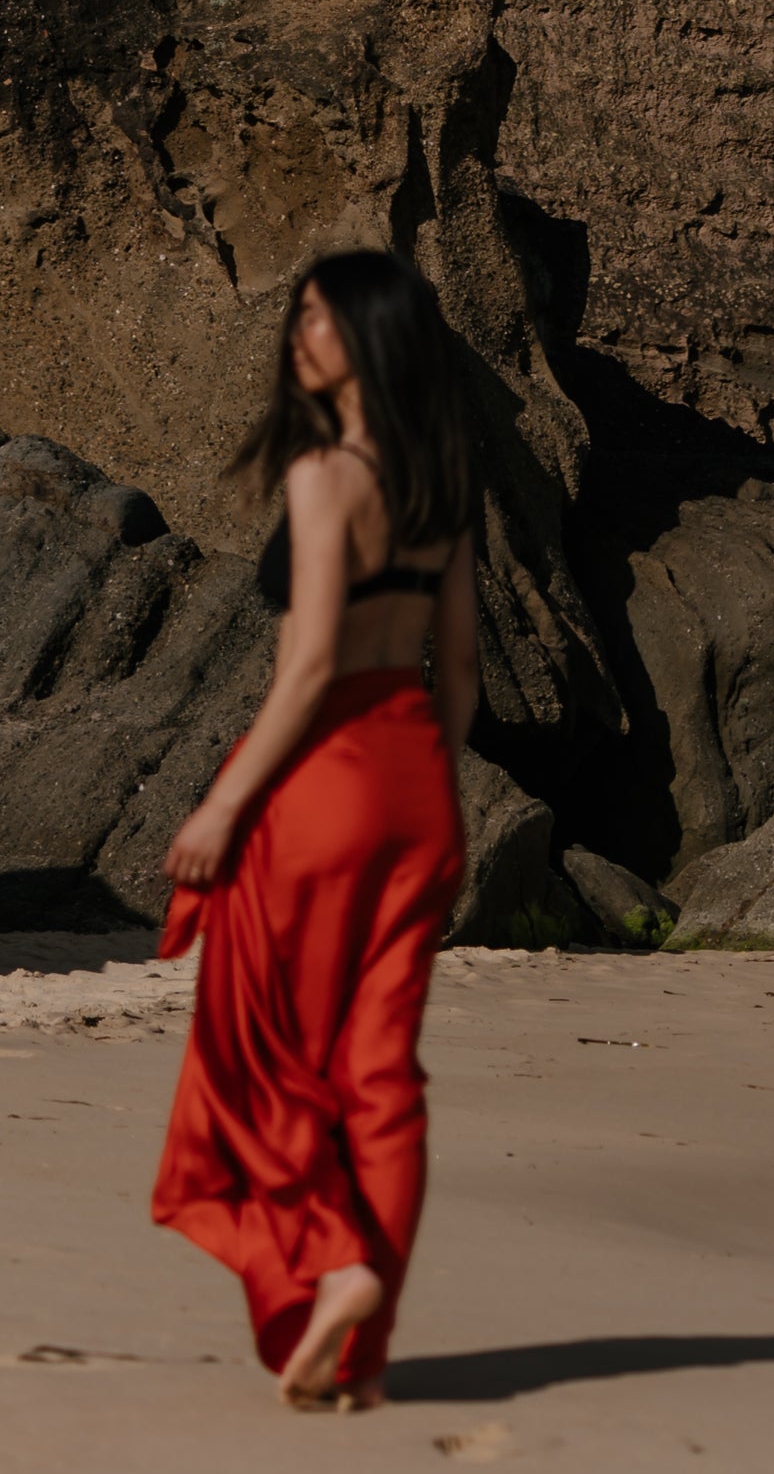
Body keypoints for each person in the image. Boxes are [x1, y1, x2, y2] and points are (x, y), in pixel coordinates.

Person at [152, 247, 481, 1412]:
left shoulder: (325, 475)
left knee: (270, 1052)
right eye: (298, 315)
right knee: (382, 1077)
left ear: (374, 337)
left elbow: (305, 671)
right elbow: (462, 670)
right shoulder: (446, 473)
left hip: (324, 784)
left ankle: (333, 1265)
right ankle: (360, 1351)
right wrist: (431, 790)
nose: (301, 334)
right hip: (416, 786)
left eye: (323, 318)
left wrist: (224, 804)